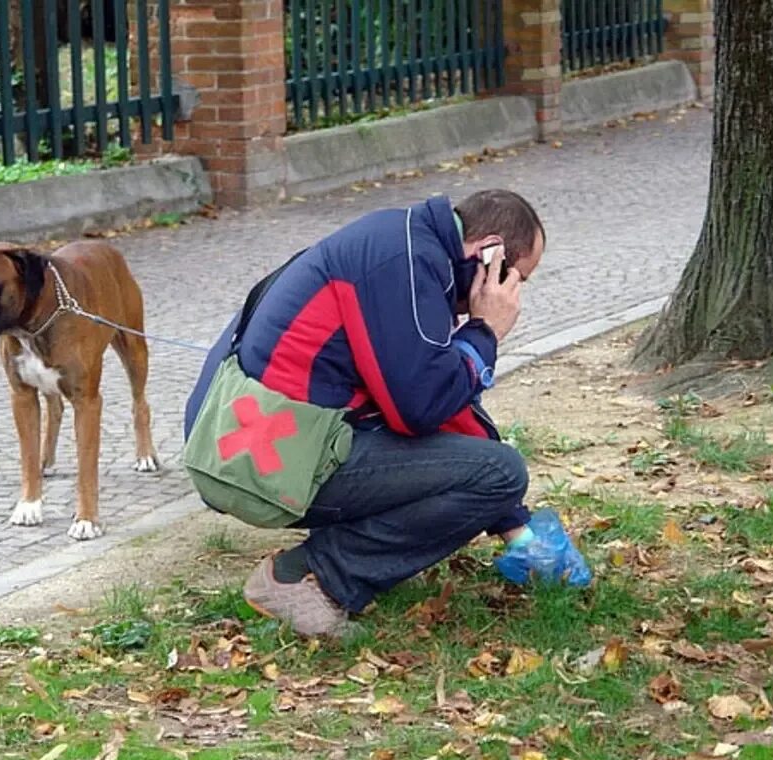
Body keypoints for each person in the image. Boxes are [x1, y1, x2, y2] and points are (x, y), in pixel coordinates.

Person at [183, 189, 591, 637]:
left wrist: (513, 522)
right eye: (516, 279)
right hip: (260, 468)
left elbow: (435, 403)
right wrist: (485, 331)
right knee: (499, 473)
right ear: (488, 254)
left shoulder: (404, 244)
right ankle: (307, 576)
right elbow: (421, 410)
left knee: (491, 475)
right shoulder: (406, 266)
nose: (513, 296)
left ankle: (330, 564)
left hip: (245, 441)